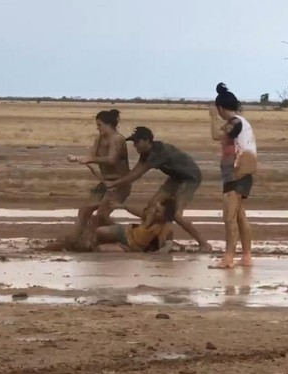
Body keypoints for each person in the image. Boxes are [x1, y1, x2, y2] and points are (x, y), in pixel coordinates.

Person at [105, 126, 212, 252]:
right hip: (176, 177)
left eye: (137, 142)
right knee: (152, 205)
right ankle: (154, 238)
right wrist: (116, 182)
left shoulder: (157, 153)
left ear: (147, 140)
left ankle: (204, 244)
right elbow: (134, 171)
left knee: (177, 215)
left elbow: (137, 174)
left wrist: (113, 183)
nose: (135, 146)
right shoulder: (145, 153)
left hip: (190, 178)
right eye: (133, 142)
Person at [208, 83, 257, 268]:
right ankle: (246, 256)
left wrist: (212, 118)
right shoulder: (241, 122)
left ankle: (228, 258)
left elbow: (216, 135)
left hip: (237, 173)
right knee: (239, 216)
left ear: (220, 108)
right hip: (240, 173)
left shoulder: (236, 122)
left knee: (229, 216)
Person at [67, 110, 131, 247]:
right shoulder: (99, 138)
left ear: (109, 124)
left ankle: (130, 235)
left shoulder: (117, 139)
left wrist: (91, 159)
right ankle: (75, 240)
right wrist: (78, 159)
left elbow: (112, 159)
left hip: (119, 183)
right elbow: (91, 155)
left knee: (102, 215)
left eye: (100, 125)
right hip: (104, 182)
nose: (98, 128)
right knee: (85, 210)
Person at [91, 199, 176, 253]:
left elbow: (163, 247)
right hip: (125, 232)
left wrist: (163, 249)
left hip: (131, 247)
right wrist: (123, 206)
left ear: (165, 217)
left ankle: (109, 243)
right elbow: (136, 212)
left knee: (100, 250)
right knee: (99, 231)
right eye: (155, 209)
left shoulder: (164, 228)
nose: (154, 212)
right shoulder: (150, 215)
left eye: (158, 212)